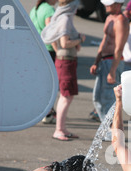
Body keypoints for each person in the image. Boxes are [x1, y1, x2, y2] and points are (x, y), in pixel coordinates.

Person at [42, 0, 86, 141]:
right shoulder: (65, 19)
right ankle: (59, 130)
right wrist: (79, 39)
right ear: (71, 6)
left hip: (65, 61)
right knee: (66, 96)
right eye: (76, 6)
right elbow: (64, 43)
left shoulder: (61, 17)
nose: (77, 9)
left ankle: (62, 128)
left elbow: (56, 41)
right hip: (66, 61)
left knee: (67, 95)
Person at [90, 0, 129, 136]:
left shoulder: (121, 21)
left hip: (113, 62)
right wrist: (97, 61)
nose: (105, 5)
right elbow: (104, 40)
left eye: (109, 3)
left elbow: (119, 48)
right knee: (97, 98)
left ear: (118, 4)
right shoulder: (109, 18)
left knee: (107, 99)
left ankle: (113, 133)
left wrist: (112, 71)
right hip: (105, 61)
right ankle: (109, 130)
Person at [29, 0, 58, 124]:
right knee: (49, 84)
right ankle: (48, 112)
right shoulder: (49, 10)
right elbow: (50, 33)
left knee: (40, 82)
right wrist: (59, 51)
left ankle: (41, 110)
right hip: (49, 51)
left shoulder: (35, 9)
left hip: (37, 49)